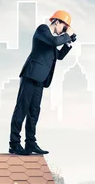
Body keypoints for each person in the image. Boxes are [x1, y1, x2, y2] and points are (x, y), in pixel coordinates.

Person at [9, 10, 77, 155]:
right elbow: (54, 41)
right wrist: (67, 35)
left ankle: (30, 144)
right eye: (64, 27)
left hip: (40, 80)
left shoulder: (51, 39)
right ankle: (14, 144)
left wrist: (69, 43)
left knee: (34, 113)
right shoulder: (42, 30)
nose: (63, 31)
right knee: (21, 109)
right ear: (57, 22)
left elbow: (59, 56)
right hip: (30, 75)